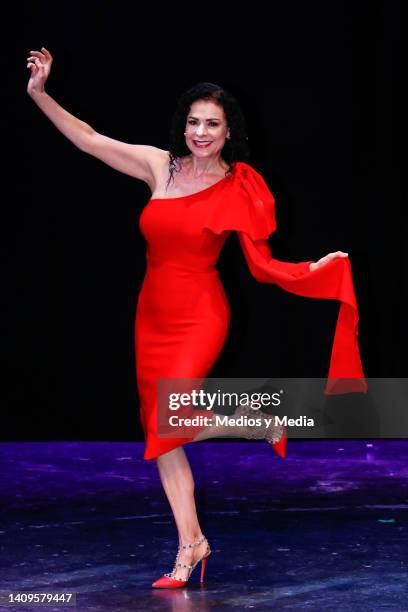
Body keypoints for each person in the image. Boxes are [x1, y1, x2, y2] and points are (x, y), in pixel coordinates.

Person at [27, 47, 366, 588]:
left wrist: (312, 268)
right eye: (193, 122)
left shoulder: (239, 186)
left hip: (200, 313)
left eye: (212, 124)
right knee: (160, 433)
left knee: (168, 419)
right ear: (183, 126)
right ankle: (192, 544)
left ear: (228, 131)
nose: (200, 132)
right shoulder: (160, 166)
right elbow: (90, 138)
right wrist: (40, 94)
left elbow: (261, 263)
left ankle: (257, 423)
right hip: (151, 312)